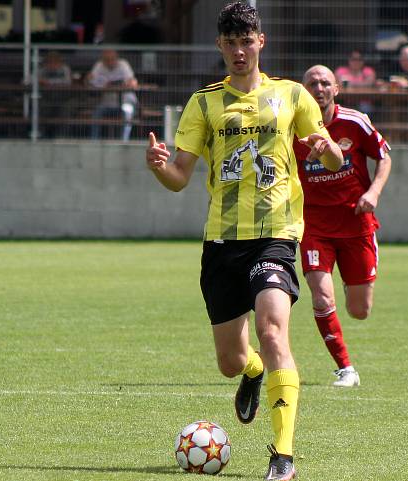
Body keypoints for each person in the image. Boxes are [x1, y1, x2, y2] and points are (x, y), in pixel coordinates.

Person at [145, 3, 343, 480]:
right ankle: (253, 374)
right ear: (220, 45)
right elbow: (179, 177)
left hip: (276, 236)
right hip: (221, 242)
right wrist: (158, 167)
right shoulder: (204, 102)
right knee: (231, 361)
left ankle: (284, 455)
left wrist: (329, 149)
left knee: (274, 331)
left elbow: (334, 161)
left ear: (261, 42)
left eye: (245, 41)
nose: (238, 50)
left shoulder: (293, 95)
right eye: (230, 42)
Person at [293, 65, 392, 388]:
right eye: (312, 83)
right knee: (321, 297)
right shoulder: (292, 128)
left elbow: (384, 156)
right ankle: (345, 368)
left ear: (336, 89)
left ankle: (351, 282)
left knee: (359, 310)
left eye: (325, 83)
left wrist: (373, 192)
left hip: (356, 223)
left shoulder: (355, 121)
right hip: (313, 225)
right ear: (303, 90)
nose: (318, 88)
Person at [86, 49, 138, 140]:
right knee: (96, 114)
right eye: (107, 59)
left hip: (125, 102)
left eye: (112, 59)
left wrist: (124, 84)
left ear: (116, 58)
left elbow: (133, 83)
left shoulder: (123, 64)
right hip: (107, 104)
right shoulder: (99, 65)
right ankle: (94, 142)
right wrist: (91, 80)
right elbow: (89, 81)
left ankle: (124, 142)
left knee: (127, 112)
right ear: (103, 59)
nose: (110, 62)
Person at [38, 50, 72, 138]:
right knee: (40, 110)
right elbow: (28, 80)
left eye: (55, 62)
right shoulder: (43, 69)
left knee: (65, 112)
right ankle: (42, 137)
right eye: (50, 62)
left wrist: (48, 82)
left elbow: (67, 82)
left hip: (63, 99)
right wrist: (39, 81)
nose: (52, 64)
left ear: (59, 62)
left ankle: (61, 138)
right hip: (46, 99)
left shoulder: (65, 69)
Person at [334, 49, 376, 113]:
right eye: (353, 59)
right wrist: (361, 84)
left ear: (363, 61)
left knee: (366, 109)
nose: (356, 62)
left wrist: (349, 84)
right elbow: (337, 83)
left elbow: (370, 83)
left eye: (359, 59)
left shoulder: (368, 71)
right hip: (345, 102)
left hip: (364, 102)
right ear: (349, 60)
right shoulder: (341, 70)